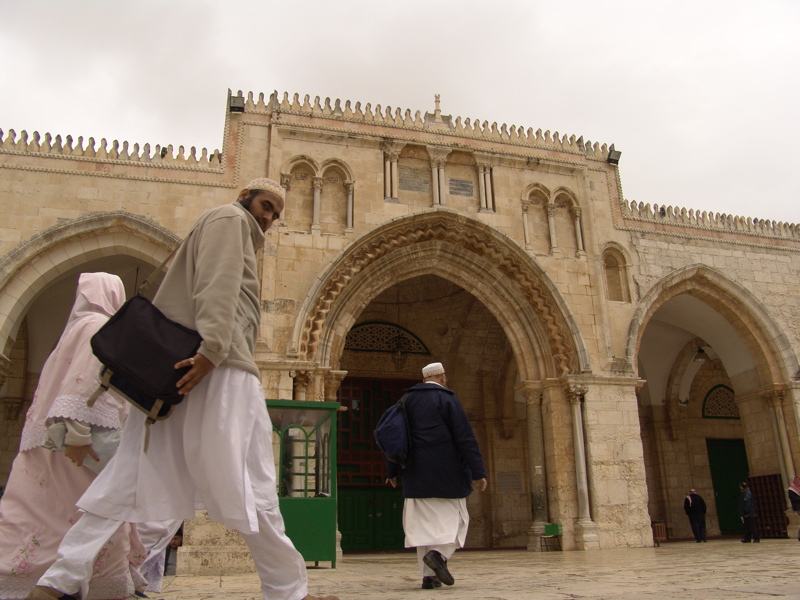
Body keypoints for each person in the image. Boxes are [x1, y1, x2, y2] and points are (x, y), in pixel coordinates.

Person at [26, 179, 338, 600]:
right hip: (219, 370)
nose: (269, 217)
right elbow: (219, 284)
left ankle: (59, 581)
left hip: (182, 375)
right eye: (266, 205)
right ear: (247, 196)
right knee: (256, 479)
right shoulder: (231, 218)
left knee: (128, 476)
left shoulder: (221, 224)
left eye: (276, 214)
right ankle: (287, 591)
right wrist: (212, 349)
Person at [0, 273, 147, 599]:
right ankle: (66, 583)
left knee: (37, 512)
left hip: (49, 445)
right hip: (76, 450)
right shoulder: (97, 327)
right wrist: (79, 438)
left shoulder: (75, 328)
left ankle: (31, 577)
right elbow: (81, 387)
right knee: (94, 512)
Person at [386, 362, 487, 590]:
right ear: (442, 378)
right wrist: (478, 472)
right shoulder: (448, 399)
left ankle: (429, 578)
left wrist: (392, 471)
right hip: (447, 475)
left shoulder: (405, 401)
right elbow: (465, 438)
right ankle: (439, 555)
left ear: (423, 380)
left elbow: (394, 436)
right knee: (459, 521)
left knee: (424, 530)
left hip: (414, 475)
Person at [787, 475, 800, 541]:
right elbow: (792, 497)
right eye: (797, 480)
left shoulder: (798, 488)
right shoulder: (792, 489)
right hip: (798, 507)